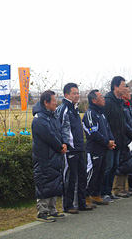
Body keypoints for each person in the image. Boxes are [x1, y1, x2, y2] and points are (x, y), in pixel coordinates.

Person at [56, 83, 93, 213]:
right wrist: (65, 144)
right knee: (70, 178)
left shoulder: (75, 108)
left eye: (78, 93)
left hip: (79, 148)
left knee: (82, 177)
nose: (77, 95)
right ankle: (68, 205)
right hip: (69, 150)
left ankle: (81, 203)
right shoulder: (63, 109)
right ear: (66, 95)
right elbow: (60, 129)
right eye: (74, 93)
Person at [32, 90, 67, 222]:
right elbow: (49, 136)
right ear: (46, 103)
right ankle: (42, 211)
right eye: (53, 101)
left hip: (55, 155)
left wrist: (63, 144)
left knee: (55, 181)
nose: (56, 103)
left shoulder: (53, 116)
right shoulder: (39, 118)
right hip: (44, 157)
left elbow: (59, 131)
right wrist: (60, 147)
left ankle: (52, 209)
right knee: (44, 182)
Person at [82, 90, 116, 206]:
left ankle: (96, 194)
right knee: (92, 172)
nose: (103, 99)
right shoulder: (90, 113)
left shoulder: (102, 113)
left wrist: (111, 140)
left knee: (101, 172)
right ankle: (85, 195)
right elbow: (93, 132)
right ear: (94, 100)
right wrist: (107, 142)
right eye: (101, 97)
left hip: (104, 148)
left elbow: (108, 128)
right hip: (94, 149)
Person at [102, 76, 127, 202]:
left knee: (114, 167)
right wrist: (108, 140)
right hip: (109, 141)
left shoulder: (120, 102)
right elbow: (104, 123)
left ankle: (109, 191)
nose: (125, 88)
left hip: (119, 140)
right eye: (122, 85)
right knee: (108, 167)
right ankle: (103, 192)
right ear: (115, 86)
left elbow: (122, 122)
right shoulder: (108, 101)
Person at [113, 85, 132, 198]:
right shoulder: (121, 107)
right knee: (122, 163)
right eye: (127, 92)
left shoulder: (128, 107)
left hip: (131, 138)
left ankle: (124, 187)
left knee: (127, 163)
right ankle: (118, 188)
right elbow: (124, 124)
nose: (129, 94)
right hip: (124, 138)